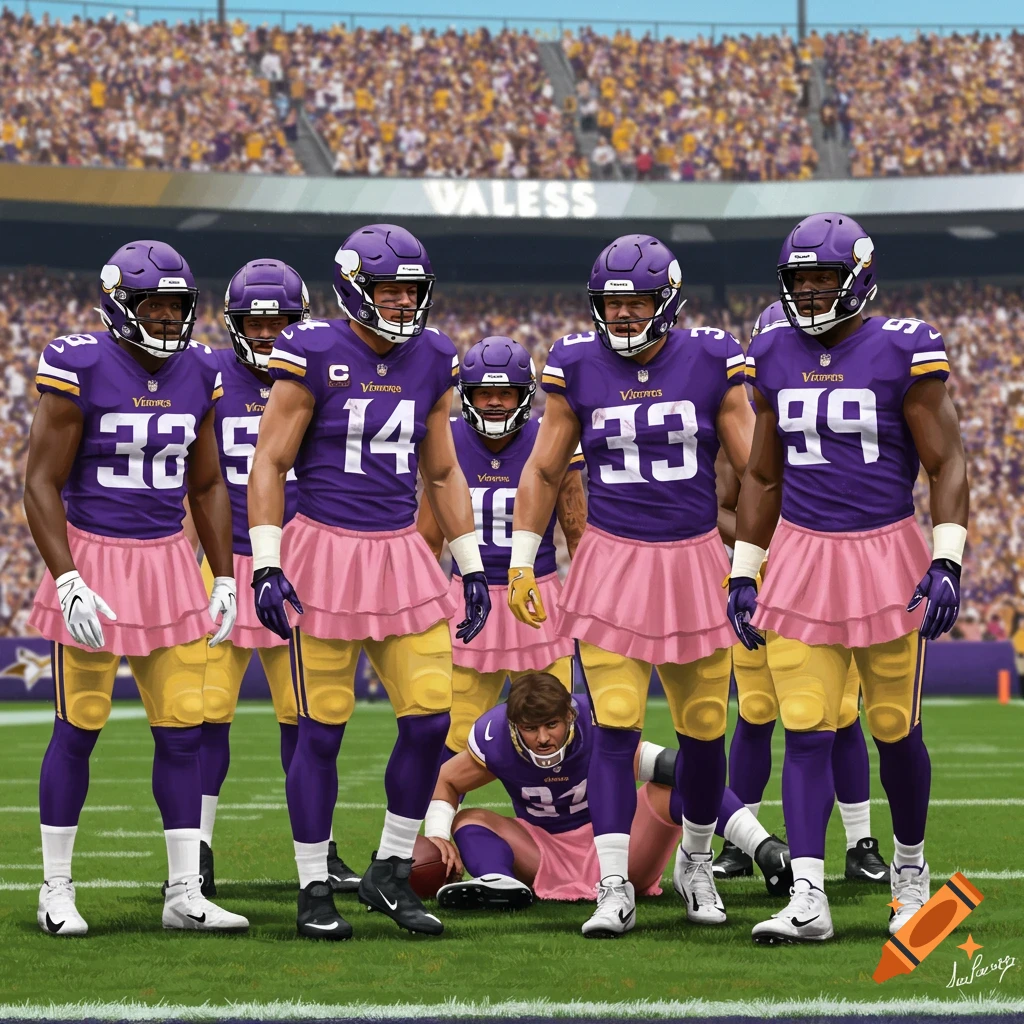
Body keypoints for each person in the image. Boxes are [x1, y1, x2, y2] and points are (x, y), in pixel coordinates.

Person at [730, 212, 968, 943]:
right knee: (803, 730)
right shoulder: (771, 349)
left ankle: (910, 876)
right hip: (801, 556)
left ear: (857, 278)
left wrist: (947, 557)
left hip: (884, 553)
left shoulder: (904, 348)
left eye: (822, 279)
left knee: (894, 728)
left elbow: (947, 461)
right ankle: (808, 896)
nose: (808, 293)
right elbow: (764, 473)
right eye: (798, 281)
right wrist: (744, 569)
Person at [248, 224, 491, 939]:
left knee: (427, 720)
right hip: (324, 552)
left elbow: (442, 470)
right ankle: (313, 883)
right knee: (319, 732)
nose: (401, 302)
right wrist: (267, 560)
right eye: (388, 289)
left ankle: (388, 869)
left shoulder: (434, 356)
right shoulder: (314, 348)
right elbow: (269, 462)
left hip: (401, 555)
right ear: (355, 288)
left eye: (410, 290)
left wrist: (471, 563)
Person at [509, 233, 755, 935]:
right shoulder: (576, 362)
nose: (621, 316)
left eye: (636, 302)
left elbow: (756, 463)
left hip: (694, 558)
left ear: (667, 302)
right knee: (613, 729)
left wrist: (772, 550)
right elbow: (545, 467)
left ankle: (697, 861)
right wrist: (524, 556)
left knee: (705, 734)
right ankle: (611, 882)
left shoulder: (711, 357)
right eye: (612, 304)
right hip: (612, 560)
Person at [25, 240, 248, 935]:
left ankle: (185, 891)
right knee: (78, 727)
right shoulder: (80, 362)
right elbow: (39, 482)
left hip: (166, 561)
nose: (167, 316)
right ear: (120, 304)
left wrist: (225, 578)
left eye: (177, 305)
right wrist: (67, 580)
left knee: (183, 732)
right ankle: (55, 888)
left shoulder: (202, 370)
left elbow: (207, 483)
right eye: (153, 303)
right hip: (94, 557)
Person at [196, 258, 359, 896]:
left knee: (307, 719)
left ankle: (317, 850)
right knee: (206, 715)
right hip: (224, 564)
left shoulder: (320, 370)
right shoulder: (205, 375)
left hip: (298, 566)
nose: (267, 334)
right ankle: (197, 852)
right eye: (255, 323)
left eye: (280, 322)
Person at [714, 302, 890, 887]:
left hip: (826, 578)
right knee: (757, 713)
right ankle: (746, 838)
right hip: (762, 576)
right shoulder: (737, 425)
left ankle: (861, 841)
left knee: (839, 715)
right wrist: (766, 551)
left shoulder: (835, 419)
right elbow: (724, 506)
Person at [416, 336, 586, 759]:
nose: (494, 402)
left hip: (537, 596)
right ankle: (439, 823)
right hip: (466, 598)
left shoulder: (551, 438)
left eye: (504, 392)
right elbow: (427, 538)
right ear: (466, 395)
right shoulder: (447, 439)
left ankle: (556, 823)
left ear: (523, 393)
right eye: (483, 393)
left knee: (554, 732)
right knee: (454, 738)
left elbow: (577, 531)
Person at [425, 673, 679, 911]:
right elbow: (446, 780)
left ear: (569, 715)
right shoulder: (497, 739)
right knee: (468, 819)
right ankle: (499, 881)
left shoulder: (596, 724)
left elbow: (678, 769)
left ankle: (699, 860)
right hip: (541, 851)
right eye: (530, 728)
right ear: (513, 726)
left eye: (551, 724)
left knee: (668, 788)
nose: (543, 738)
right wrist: (437, 835)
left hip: (619, 849)